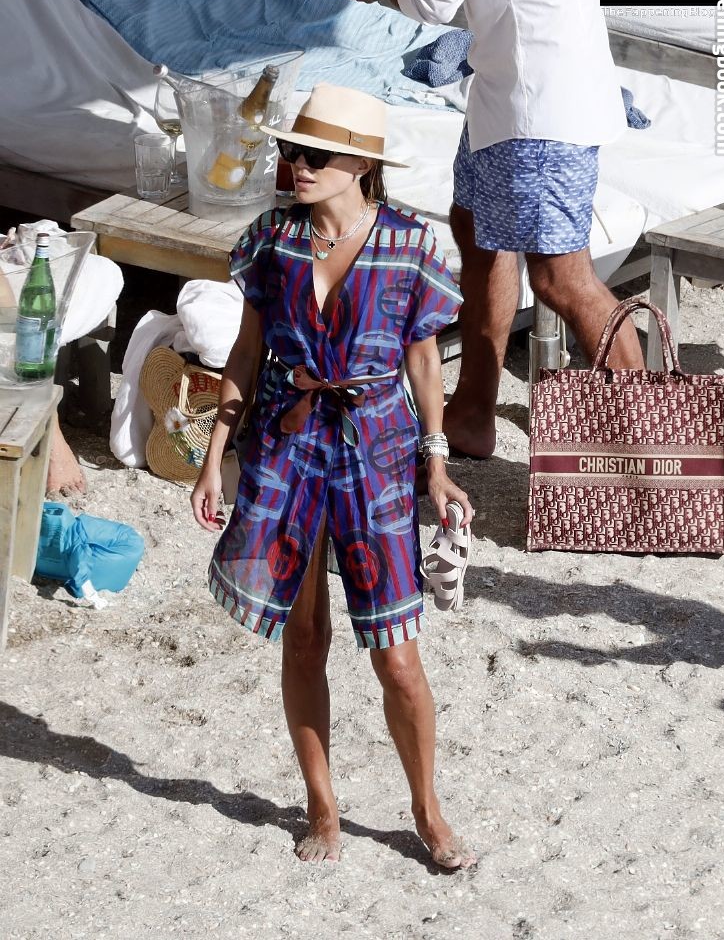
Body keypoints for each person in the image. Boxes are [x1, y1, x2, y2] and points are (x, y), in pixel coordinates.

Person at [191, 84, 476, 869]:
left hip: (375, 449)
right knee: (304, 637)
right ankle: (322, 808)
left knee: (397, 655)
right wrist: (214, 458)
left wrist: (438, 464)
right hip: (286, 445)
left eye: (317, 154)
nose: (299, 165)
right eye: (292, 151)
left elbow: (425, 362)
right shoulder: (271, 241)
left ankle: (427, 810)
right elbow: (246, 353)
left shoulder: (411, 245)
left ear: (362, 165)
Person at [326, 0, 645, 458]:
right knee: (475, 231)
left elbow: (431, 2)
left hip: (539, 112)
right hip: (516, 95)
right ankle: (473, 413)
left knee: (562, 278)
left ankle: (652, 460)